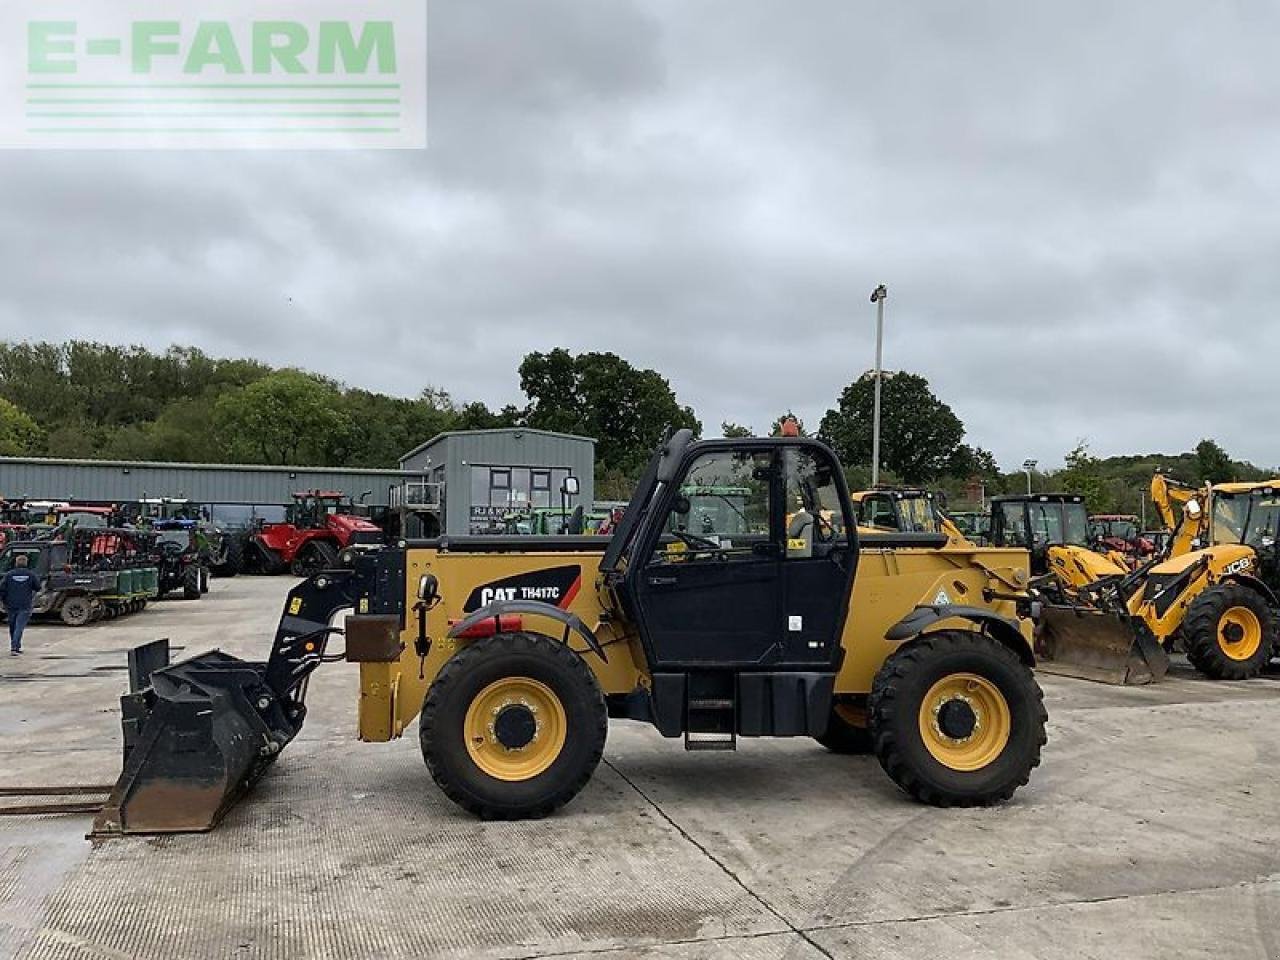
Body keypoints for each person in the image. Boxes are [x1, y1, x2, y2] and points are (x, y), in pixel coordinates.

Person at [1, 555, 41, 655]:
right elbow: (38, 587)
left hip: (10, 604)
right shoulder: (30, 575)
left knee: (13, 626)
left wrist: (2, 600)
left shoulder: (9, 575)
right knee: (19, 626)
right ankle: (15, 647)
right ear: (26, 563)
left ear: (16, 563)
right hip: (25, 604)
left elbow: (1, 588)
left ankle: (15, 646)